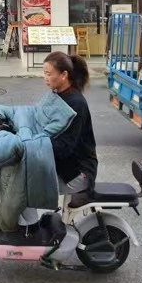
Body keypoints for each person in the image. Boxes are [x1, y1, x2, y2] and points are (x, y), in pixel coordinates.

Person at [43, 51, 98, 194]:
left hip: (77, 173)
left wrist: (33, 144)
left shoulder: (75, 103)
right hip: (64, 165)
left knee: (26, 189)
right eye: (44, 73)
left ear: (63, 75)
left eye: (49, 74)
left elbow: (63, 147)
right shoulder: (57, 95)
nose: (45, 78)